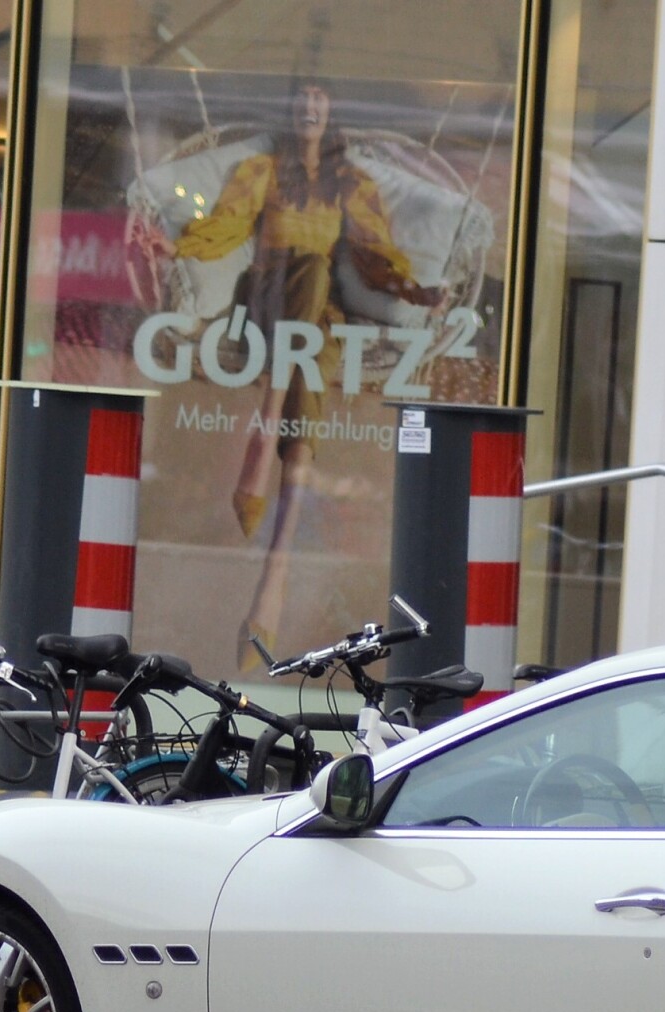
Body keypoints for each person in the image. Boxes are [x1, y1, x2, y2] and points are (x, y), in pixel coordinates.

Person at [150, 81, 439, 662]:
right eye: (301, 98)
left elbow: (372, 251)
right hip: (264, 295)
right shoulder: (262, 169)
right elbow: (229, 226)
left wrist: (412, 287)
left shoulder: (350, 184)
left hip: (313, 322)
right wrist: (178, 246)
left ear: (330, 114)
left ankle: (273, 561)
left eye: (320, 99)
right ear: (290, 111)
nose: (309, 107)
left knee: (316, 359)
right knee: (307, 271)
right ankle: (274, 548)